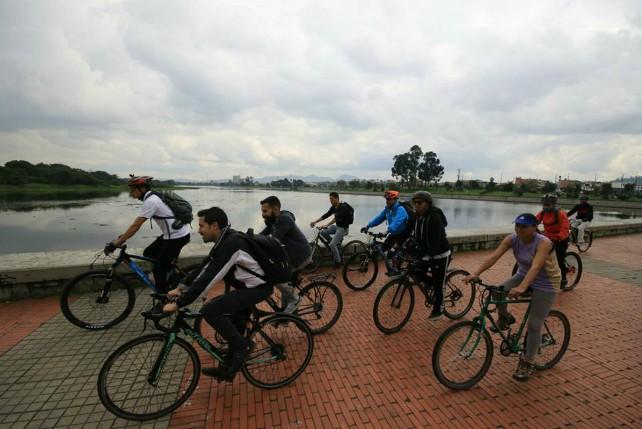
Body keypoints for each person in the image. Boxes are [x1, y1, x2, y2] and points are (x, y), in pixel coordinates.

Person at [163, 207, 274, 381]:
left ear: (214, 226)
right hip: (246, 287)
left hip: (258, 288)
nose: (198, 230)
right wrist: (181, 287)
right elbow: (206, 265)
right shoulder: (224, 239)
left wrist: (179, 303)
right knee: (234, 328)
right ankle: (227, 368)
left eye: (201, 226)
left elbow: (210, 277)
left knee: (210, 310)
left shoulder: (232, 243)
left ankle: (244, 347)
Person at [463, 213, 561, 381]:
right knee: (498, 290)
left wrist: (522, 287)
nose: (519, 229)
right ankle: (505, 318)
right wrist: (475, 273)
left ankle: (528, 362)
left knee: (534, 324)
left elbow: (537, 267)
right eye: (517, 225)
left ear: (534, 227)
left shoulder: (543, 242)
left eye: (524, 226)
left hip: (547, 283)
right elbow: (494, 257)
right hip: (523, 275)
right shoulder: (512, 239)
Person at [105, 176, 190, 293]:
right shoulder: (153, 197)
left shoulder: (151, 201)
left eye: (133, 189)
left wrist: (117, 243)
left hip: (176, 237)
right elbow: (135, 226)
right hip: (174, 234)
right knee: (149, 253)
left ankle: (163, 299)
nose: (131, 192)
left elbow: (136, 225)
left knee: (158, 269)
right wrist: (123, 237)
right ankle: (170, 275)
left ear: (143, 189)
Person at [393, 191, 450, 319]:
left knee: (438, 282)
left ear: (428, 204)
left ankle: (439, 307)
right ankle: (432, 284)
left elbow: (436, 239)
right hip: (424, 253)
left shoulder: (434, 216)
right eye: (415, 203)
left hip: (440, 254)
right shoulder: (416, 216)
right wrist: (396, 245)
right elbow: (407, 231)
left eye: (420, 203)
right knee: (416, 273)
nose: (417, 205)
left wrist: (429, 255)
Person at [260, 196, 312, 313]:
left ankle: (295, 300)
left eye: (265, 211)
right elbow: (262, 235)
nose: (262, 214)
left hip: (300, 257)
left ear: (275, 209)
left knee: (276, 276)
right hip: (291, 256)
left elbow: (273, 241)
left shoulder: (284, 220)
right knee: (285, 283)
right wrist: (248, 239)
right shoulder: (273, 221)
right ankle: (285, 315)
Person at [361, 190, 410, 274]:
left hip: (402, 235)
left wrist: (386, 231)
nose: (387, 201)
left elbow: (396, 223)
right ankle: (393, 267)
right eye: (387, 199)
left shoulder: (401, 209)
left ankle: (397, 270)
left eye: (390, 199)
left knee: (391, 253)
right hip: (393, 234)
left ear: (395, 200)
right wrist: (368, 226)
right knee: (383, 249)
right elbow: (379, 218)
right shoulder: (388, 209)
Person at [309, 192, 353, 268]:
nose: (330, 201)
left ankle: (338, 262)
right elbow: (326, 215)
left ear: (337, 199)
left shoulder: (343, 208)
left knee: (332, 244)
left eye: (332, 199)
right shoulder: (334, 207)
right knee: (323, 232)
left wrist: (326, 225)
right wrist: (315, 222)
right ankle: (334, 246)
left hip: (343, 229)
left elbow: (335, 219)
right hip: (337, 227)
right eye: (330, 199)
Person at [536, 194, 570, 287]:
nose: (545, 207)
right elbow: (534, 221)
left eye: (547, 205)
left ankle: (563, 278)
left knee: (559, 259)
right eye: (544, 205)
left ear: (553, 204)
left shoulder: (560, 214)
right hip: (547, 238)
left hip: (560, 240)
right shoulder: (542, 213)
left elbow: (565, 227)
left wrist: (559, 237)